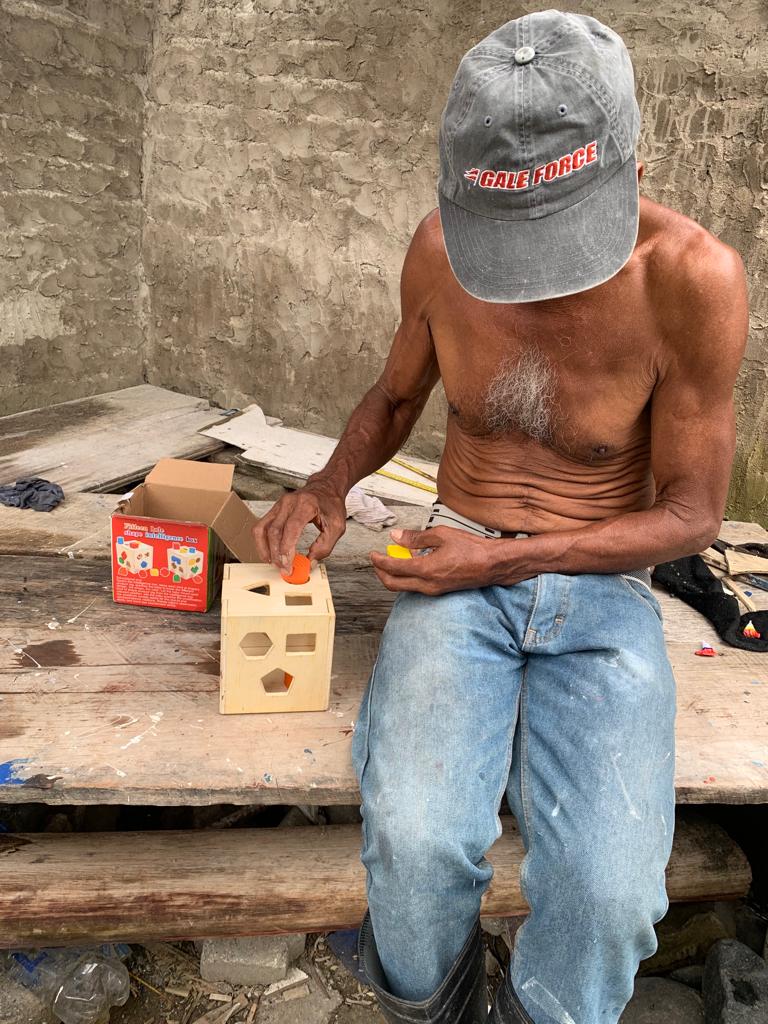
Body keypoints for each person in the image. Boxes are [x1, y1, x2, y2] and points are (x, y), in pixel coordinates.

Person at [253, 10, 748, 1023]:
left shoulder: (694, 280)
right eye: (506, 239)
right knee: (416, 842)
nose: (528, 274)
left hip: (602, 584)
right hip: (457, 557)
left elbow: (694, 515)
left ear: (634, 168)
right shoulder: (439, 250)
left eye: (555, 237)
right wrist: (328, 484)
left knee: (610, 892)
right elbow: (395, 396)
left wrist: (501, 564)